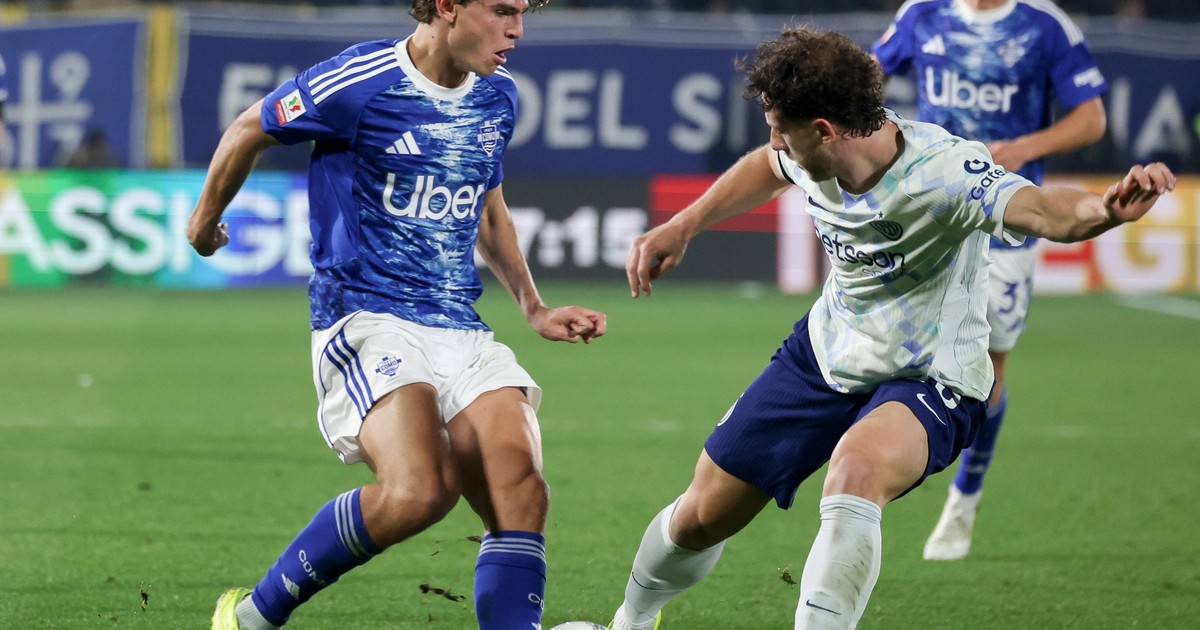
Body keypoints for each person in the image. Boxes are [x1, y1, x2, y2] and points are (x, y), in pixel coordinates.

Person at [610, 26, 1172, 630]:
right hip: (828, 352)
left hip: (932, 375)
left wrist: (1104, 210)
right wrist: (684, 225)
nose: (774, 142)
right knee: (701, 516)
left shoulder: (945, 171)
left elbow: (1041, 209)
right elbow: (768, 167)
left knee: (855, 472)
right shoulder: (806, 152)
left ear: (824, 129)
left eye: (780, 130)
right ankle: (629, 622)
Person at [188, 1, 607, 628]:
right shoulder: (357, 82)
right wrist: (204, 222)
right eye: (501, 11)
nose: (517, 29)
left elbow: (487, 207)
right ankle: (250, 617)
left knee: (519, 489)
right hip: (366, 318)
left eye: (522, 12)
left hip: (459, 326)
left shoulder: (498, 96)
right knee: (419, 492)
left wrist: (534, 307)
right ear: (447, 6)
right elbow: (251, 127)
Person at [871, 0, 1108, 560]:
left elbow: (1091, 118)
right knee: (885, 344)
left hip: (1007, 218)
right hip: (926, 211)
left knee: (989, 362)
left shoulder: (1044, 24)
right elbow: (866, 79)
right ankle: (870, 464)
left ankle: (965, 496)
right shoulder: (922, 12)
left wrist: (1026, 146)